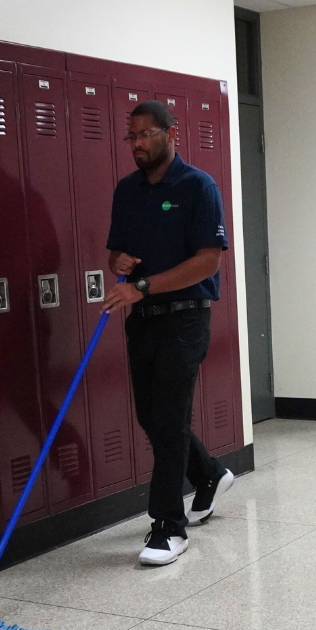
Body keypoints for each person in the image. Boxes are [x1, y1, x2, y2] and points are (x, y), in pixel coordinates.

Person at [101, 100, 234, 566]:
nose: (137, 144)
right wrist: (118, 264)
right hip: (143, 320)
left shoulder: (198, 186)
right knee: (153, 419)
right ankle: (210, 473)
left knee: (169, 418)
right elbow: (118, 252)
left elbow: (207, 261)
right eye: (131, 136)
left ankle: (167, 527)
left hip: (185, 316)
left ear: (171, 134)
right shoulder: (127, 191)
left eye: (145, 134)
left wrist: (141, 287)